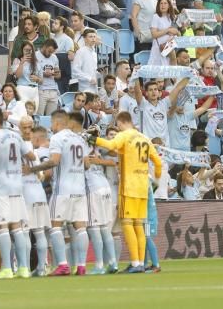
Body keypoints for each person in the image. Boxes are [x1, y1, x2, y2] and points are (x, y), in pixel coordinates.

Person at [92, 110, 162, 273]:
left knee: (128, 224)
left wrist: (93, 139)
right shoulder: (145, 138)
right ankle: (140, 264)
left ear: (122, 122)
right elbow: (158, 163)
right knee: (139, 224)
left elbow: (110, 145)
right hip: (144, 187)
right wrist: (157, 178)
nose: (118, 127)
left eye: (118, 125)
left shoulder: (125, 135)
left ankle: (136, 263)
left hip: (129, 186)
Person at [26, 110, 90, 276]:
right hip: (80, 189)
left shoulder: (57, 138)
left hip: (63, 189)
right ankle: (82, 265)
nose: (51, 127)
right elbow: (87, 165)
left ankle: (62, 264)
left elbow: (54, 161)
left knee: (55, 226)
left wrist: (32, 169)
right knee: (80, 227)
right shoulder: (80, 138)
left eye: (52, 124)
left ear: (57, 123)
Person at [0, 106, 35, 278]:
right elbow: (31, 156)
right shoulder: (16, 135)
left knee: (3, 227)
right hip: (17, 186)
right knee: (17, 227)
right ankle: (23, 268)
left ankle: (6, 268)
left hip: (1, 187)